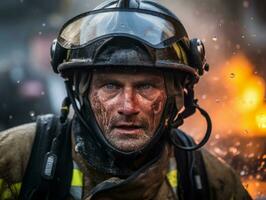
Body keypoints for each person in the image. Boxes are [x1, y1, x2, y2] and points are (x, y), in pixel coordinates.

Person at [0, 0, 252, 199]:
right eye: (110, 86)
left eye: (146, 86)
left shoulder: (211, 180)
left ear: (175, 96)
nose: (128, 107)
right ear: (83, 92)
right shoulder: (15, 159)